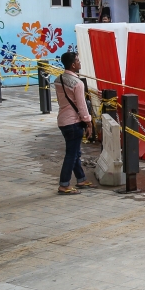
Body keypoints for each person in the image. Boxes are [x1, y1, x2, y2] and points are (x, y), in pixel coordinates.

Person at [54, 51, 94, 195]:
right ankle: (64, 185)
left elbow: (61, 101)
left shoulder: (58, 79)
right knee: (71, 154)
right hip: (73, 122)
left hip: (62, 120)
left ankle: (81, 179)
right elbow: (82, 105)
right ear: (72, 64)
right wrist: (89, 122)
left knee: (75, 152)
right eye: (78, 60)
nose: (79, 63)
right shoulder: (78, 83)